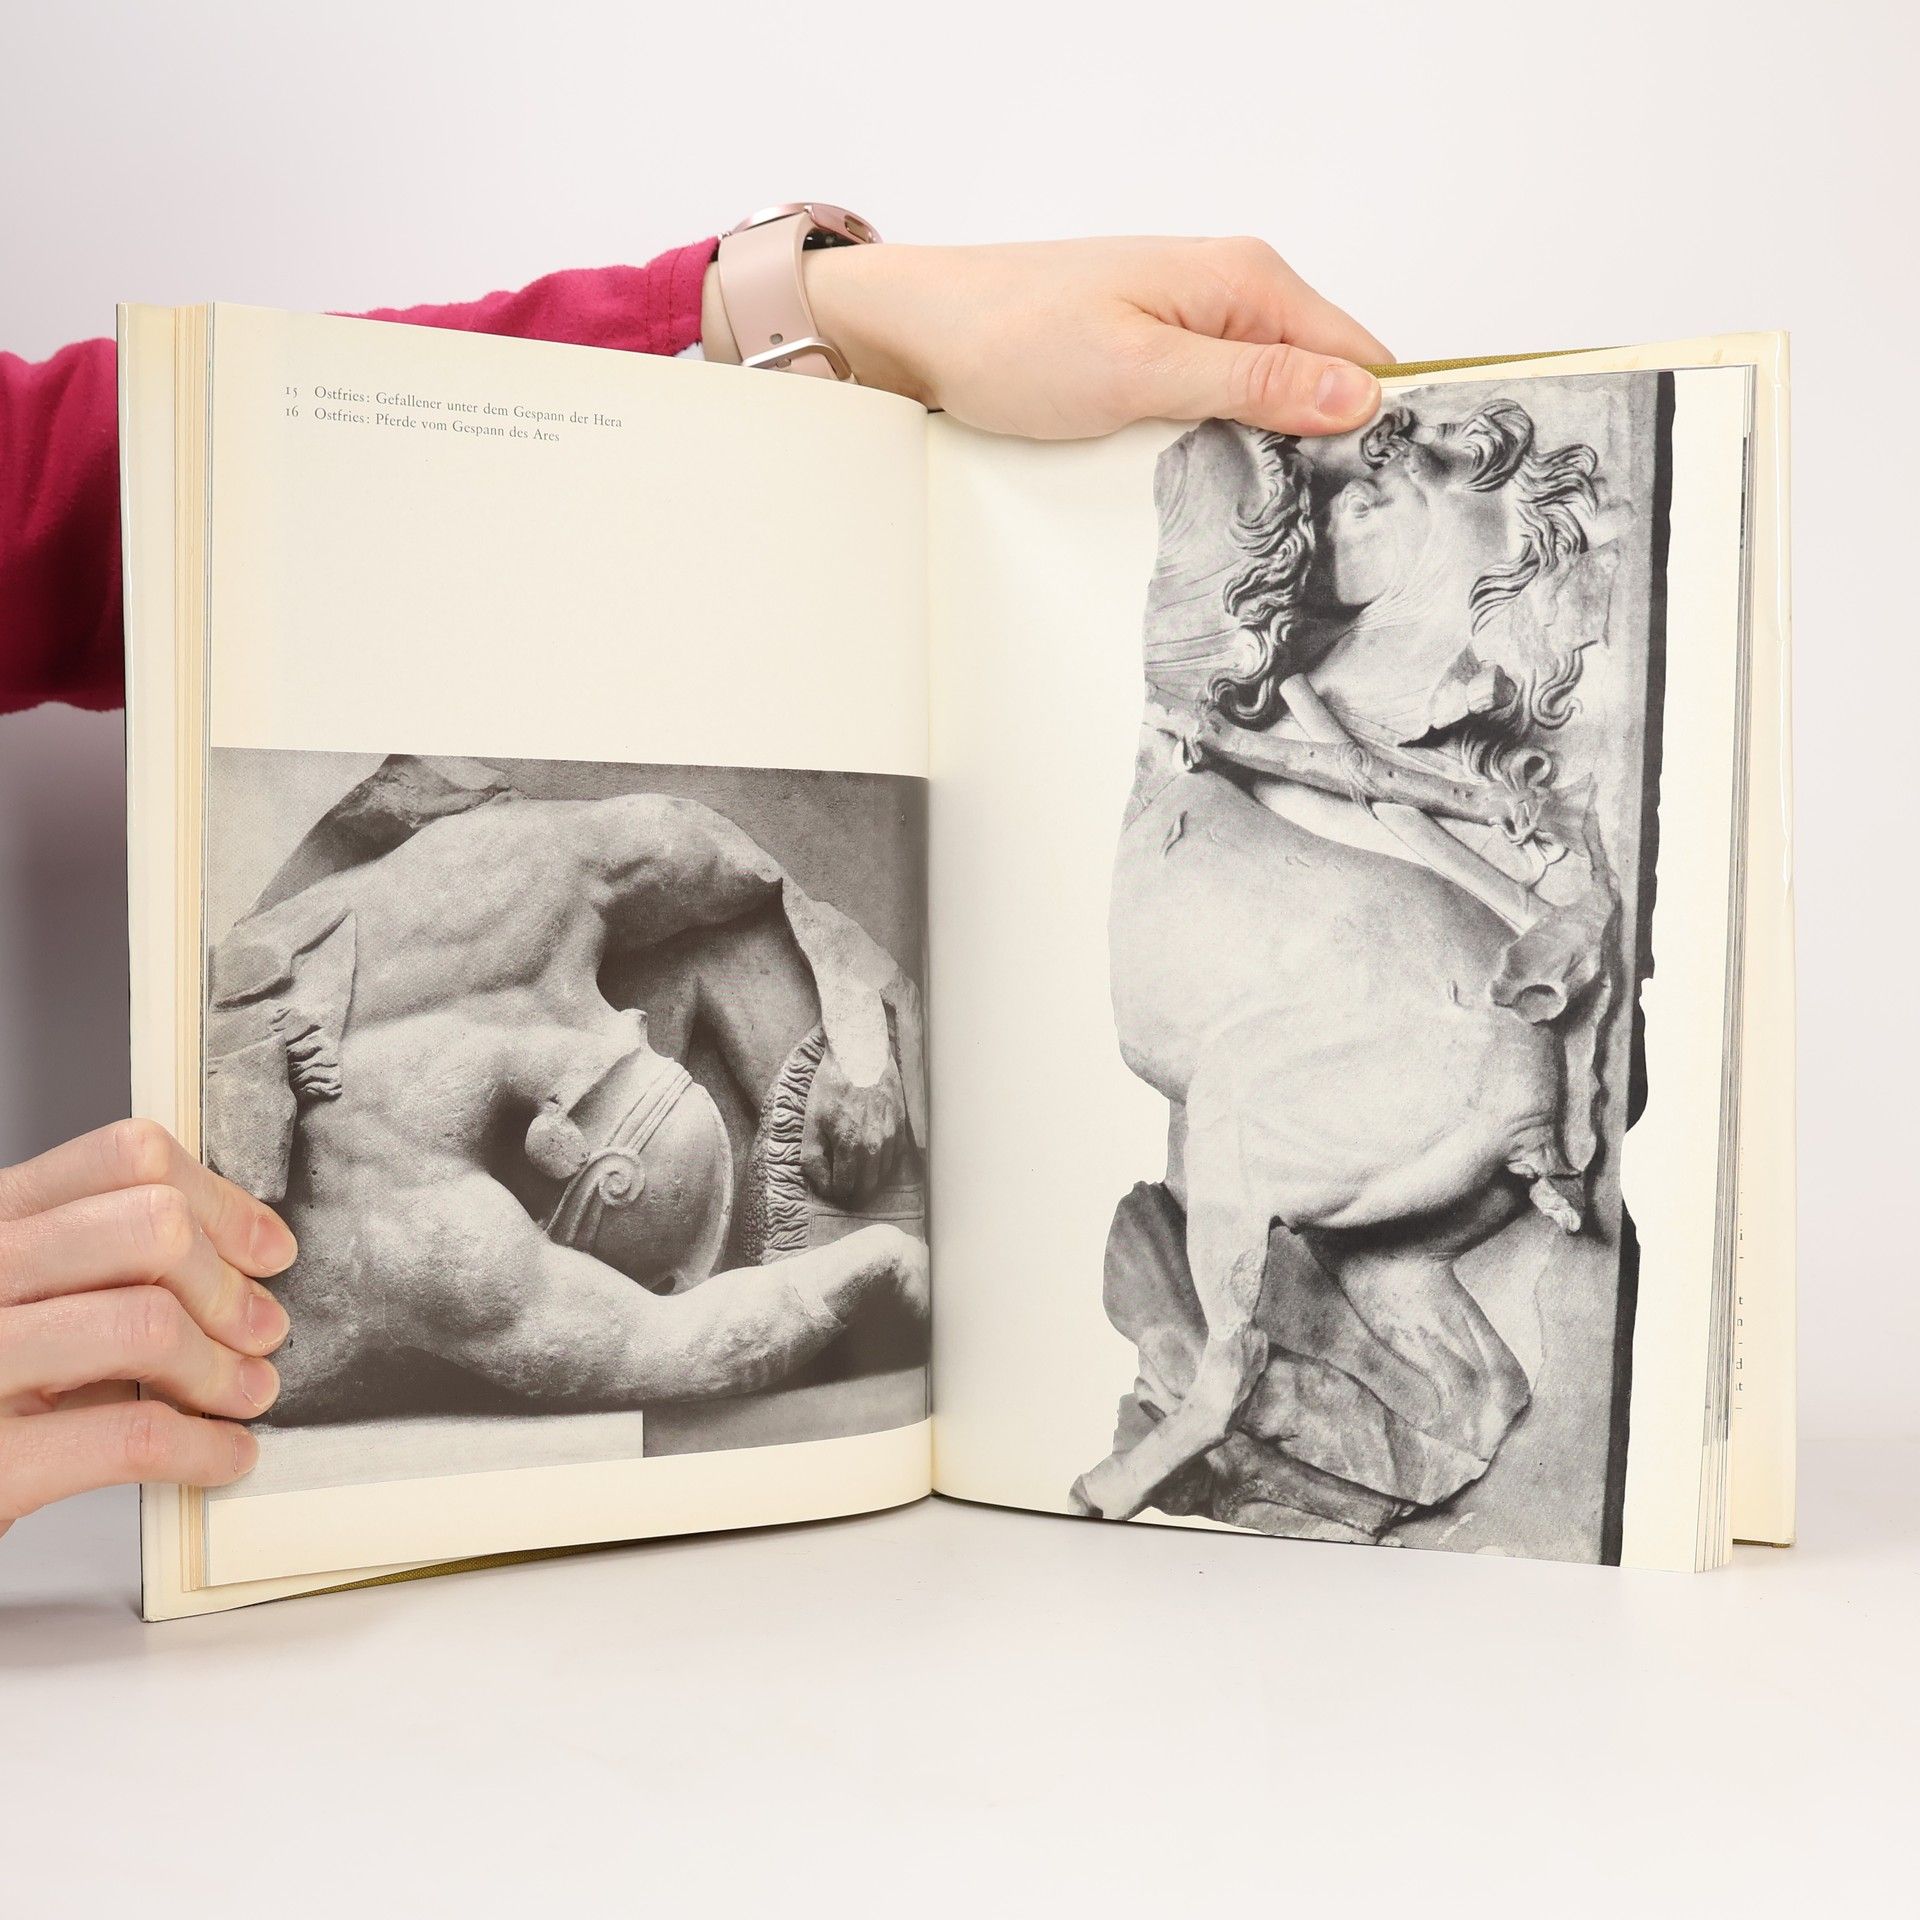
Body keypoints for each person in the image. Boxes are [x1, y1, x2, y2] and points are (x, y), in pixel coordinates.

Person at [0, 230, 1390, 1541]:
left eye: (646, 1035)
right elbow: (672, 1341)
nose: (634, 1024)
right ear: (569, 1165)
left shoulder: (532, 878)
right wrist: (887, 1267)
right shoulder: (431, 1237)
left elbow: (117, 484)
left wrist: (804, 316)